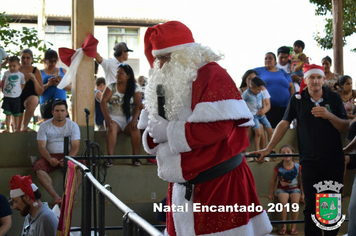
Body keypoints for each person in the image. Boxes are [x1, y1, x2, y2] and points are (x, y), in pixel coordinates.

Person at [140, 21, 272, 236]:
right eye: (158, 59)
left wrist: (169, 132)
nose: (161, 65)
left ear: (185, 54)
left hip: (219, 183)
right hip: (181, 188)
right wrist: (154, 135)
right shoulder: (165, 83)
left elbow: (219, 128)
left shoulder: (212, 75)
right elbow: (155, 127)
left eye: (166, 57)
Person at [251, 64, 349, 236]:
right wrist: (268, 148)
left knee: (331, 206)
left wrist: (328, 115)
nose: (316, 81)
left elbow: (345, 126)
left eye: (319, 77)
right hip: (309, 161)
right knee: (311, 206)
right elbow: (284, 123)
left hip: (333, 160)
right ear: (306, 80)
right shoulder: (297, 98)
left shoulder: (333, 98)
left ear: (324, 80)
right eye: (311, 77)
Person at [33, 99, 80, 204]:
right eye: (57, 111)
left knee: (80, 167)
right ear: (52, 112)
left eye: (62, 110)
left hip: (68, 155)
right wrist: (49, 159)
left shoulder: (73, 126)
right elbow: (41, 147)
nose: (60, 113)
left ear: (67, 112)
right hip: (50, 156)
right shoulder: (44, 126)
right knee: (38, 168)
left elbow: (75, 146)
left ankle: (69, 196)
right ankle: (56, 197)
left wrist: (68, 159)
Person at [100, 63, 142, 167]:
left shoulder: (135, 88)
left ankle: (135, 158)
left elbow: (138, 105)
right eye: (117, 73)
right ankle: (110, 159)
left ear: (128, 76)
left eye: (121, 73)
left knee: (136, 128)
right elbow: (103, 101)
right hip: (114, 118)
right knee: (112, 127)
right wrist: (107, 118)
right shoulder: (111, 86)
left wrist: (134, 120)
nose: (118, 75)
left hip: (129, 119)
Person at [267, 145, 303, 235]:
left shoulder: (298, 166)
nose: (286, 154)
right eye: (283, 153)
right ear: (280, 155)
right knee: (283, 203)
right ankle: (284, 226)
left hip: (295, 188)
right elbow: (273, 180)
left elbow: (301, 181)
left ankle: (294, 226)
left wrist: (303, 194)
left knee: (295, 202)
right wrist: (271, 193)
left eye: (288, 152)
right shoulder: (278, 167)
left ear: (292, 154)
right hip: (282, 189)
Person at [254, 52, 294, 128]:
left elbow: (291, 86)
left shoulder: (282, 71)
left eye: (270, 58)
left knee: (283, 132)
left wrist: (293, 103)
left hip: (284, 108)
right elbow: (246, 77)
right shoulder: (259, 70)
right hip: (265, 108)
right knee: (268, 132)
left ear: (275, 62)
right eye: (266, 58)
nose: (267, 60)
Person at [239, 69, 271, 152]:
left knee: (262, 127)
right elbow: (239, 104)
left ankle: (265, 150)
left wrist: (263, 111)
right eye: (249, 78)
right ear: (245, 79)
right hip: (248, 116)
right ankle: (246, 152)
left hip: (259, 115)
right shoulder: (243, 92)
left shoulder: (261, 90)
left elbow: (266, 103)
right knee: (250, 127)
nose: (252, 80)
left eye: (254, 78)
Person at [40, 49, 70, 120]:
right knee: (48, 127)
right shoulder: (40, 72)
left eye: (55, 61)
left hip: (61, 104)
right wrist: (48, 85)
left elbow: (70, 88)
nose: (53, 63)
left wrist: (60, 84)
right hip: (46, 104)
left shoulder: (62, 70)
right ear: (45, 60)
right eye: (50, 61)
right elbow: (37, 90)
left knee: (66, 126)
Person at [19, 49, 44, 132]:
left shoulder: (36, 71)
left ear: (32, 59)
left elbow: (40, 92)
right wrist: (24, 80)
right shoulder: (16, 69)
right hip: (16, 99)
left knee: (34, 99)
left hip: (29, 100)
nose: (25, 60)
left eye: (28, 58)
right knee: (17, 130)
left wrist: (34, 80)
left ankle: (25, 126)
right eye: (23, 58)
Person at [1, 56, 26, 132]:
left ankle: (16, 128)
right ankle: (8, 128)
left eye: (14, 66)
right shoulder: (6, 73)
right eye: (10, 66)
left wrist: (20, 90)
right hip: (7, 96)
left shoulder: (21, 75)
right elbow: (3, 82)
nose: (12, 68)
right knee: (7, 113)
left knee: (16, 114)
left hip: (16, 97)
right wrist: (3, 90)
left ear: (19, 65)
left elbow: (23, 83)